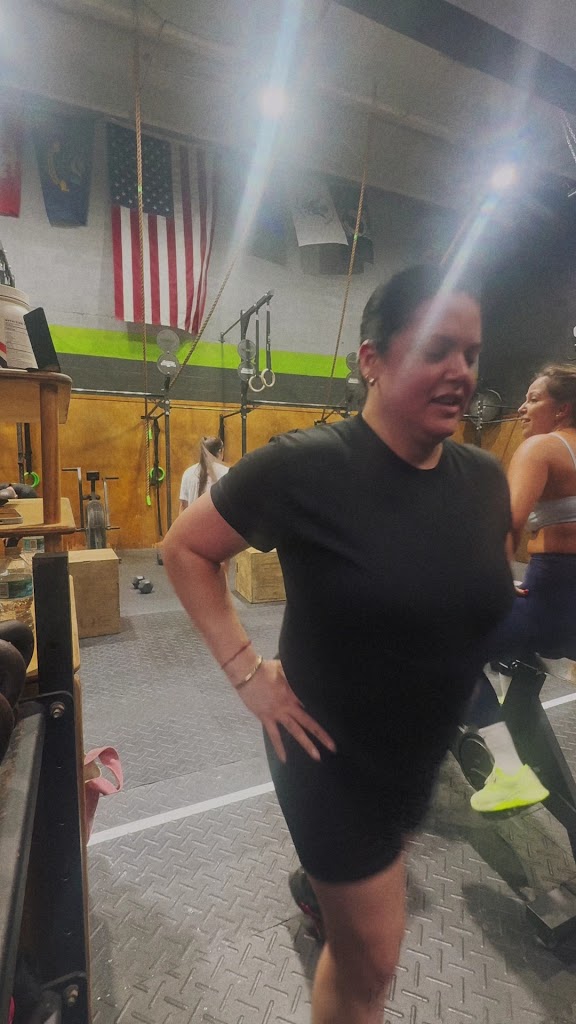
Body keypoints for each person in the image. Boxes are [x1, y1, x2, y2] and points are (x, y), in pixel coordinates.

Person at [162, 265, 514, 1024]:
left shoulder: (486, 479)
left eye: (472, 353)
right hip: (327, 758)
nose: (461, 371)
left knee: (360, 945)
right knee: (373, 962)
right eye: (436, 349)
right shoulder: (308, 467)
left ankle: (327, 901)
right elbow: (184, 549)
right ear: (372, 360)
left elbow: (469, 587)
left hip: (417, 759)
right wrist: (247, 673)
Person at [466, 365, 576, 812]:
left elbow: (508, 524)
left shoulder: (542, 448)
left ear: (561, 408)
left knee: (450, 649)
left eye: (533, 399)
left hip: (553, 604)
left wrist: (494, 583)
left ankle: (510, 771)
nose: (522, 408)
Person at [178, 435, 227, 514]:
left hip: (193, 521)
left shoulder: (188, 473)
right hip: (217, 521)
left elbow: (183, 506)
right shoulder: (226, 473)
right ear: (220, 451)